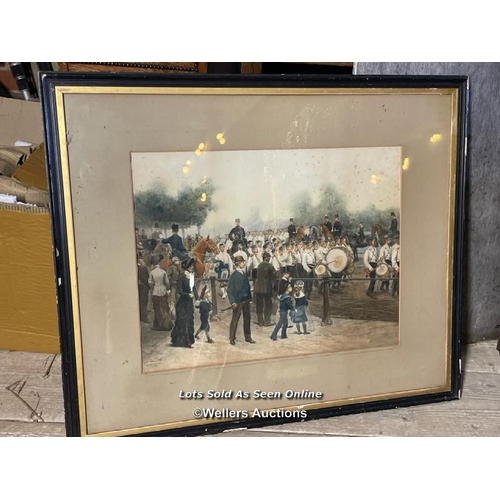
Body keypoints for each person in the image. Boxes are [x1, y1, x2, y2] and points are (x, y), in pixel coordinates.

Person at [227, 255, 255, 345]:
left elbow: (247, 287)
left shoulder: (244, 274)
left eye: (243, 262)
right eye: (242, 262)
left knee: (247, 319)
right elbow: (229, 290)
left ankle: (248, 337)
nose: (243, 263)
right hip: (238, 302)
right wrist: (233, 302)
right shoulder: (233, 276)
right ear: (238, 264)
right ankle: (232, 338)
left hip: (246, 300)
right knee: (235, 319)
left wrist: (250, 299)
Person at [171, 258, 197, 348]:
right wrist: (187, 295)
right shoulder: (182, 277)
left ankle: (188, 340)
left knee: (189, 320)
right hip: (183, 303)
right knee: (183, 321)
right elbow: (179, 291)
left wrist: (196, 298)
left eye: (193, 265)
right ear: (188, 267)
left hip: (189, 303)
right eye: (192, 266)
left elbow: (194, 288)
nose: (193, 267)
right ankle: (184, 342)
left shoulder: (192, 276)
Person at [148, 255, 172, 331]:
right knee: (165, 307)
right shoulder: (163, 271)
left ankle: (158, 325)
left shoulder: (152, 272)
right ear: (159, 263)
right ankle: (166, 324)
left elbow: (150, 282)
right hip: (163, 290)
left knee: (157, 308)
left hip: (155, 290)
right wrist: (167, 289)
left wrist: (152, 289)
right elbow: (167, 282)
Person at [254, 252, 276, 327]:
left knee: (259, 305)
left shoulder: (259, 265)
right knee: (268, 304)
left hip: (258, 287)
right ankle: (267, 322)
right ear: (268, 258)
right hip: (266, 287)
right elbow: (274, 275)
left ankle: (260, 322)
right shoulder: (269, 265)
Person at [137, 253, 150, 323]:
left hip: (139, 287)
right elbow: (147, 278)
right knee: (143, 302)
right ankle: (144, 318)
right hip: (143, 287)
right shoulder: (143, 268)